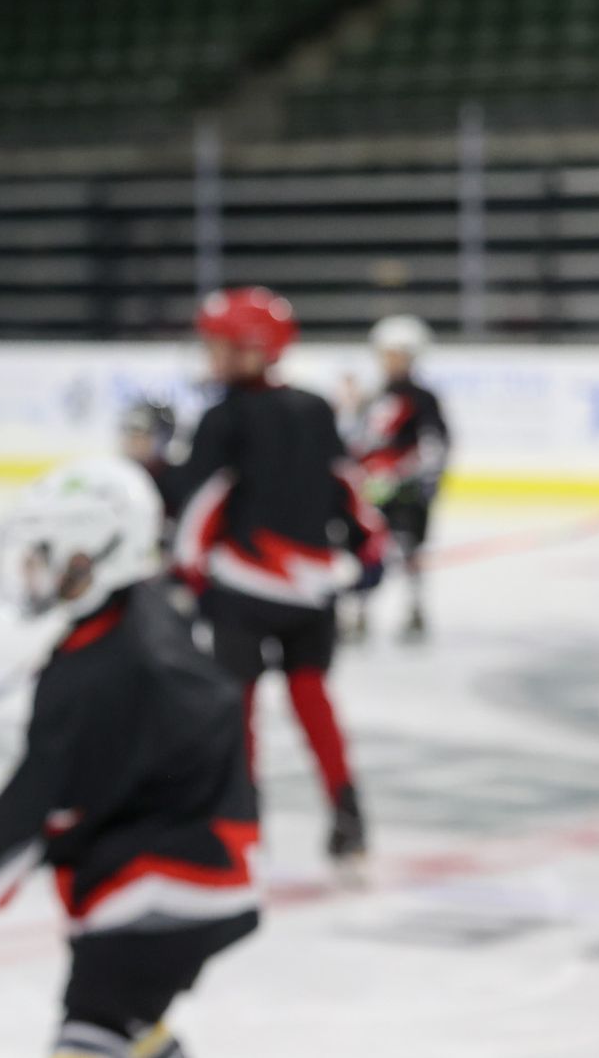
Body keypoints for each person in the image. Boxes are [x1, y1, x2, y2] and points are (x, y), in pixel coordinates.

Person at [0, 458, 258, 1058]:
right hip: (193, 859)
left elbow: (43, 796)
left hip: (167, 883)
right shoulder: (127, 624)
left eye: (42, 553)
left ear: (90, 557)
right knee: (127, 1026)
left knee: (95, 1031)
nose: (29, 569)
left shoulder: (110, 666)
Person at [159, 287, 389, 875]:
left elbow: (197, 509)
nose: (210, 355)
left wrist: (185, 578)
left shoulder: (220, 419)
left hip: (242, 590)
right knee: (313, 698)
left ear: (254, 350)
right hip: (312, 592)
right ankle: (348, 815)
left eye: (219, 344)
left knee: (237, 705)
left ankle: (241, 822)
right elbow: (348, 489)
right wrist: (367, 551)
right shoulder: (314, 409)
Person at [347, 314, 449, 643]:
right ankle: (360, 611)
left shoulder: (423, 399)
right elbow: (359, 443)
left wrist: (403, 477)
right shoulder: (373, 397)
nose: (391, 361)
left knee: (410, 550)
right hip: (371, 491)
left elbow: (434, 447)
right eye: (387, 354)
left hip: (407, 492)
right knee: (365, 550)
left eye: (398, 355)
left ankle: (415, 608)